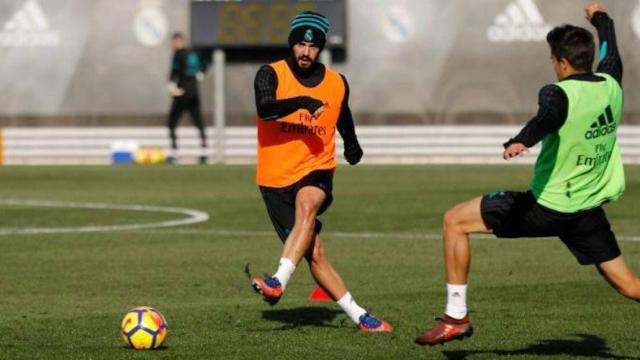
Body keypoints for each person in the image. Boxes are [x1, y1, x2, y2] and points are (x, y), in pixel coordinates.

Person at [416, 3, 638, 346]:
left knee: (454, 221)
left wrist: (522, 139)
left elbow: (548, 117)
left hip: (546, 208)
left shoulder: (558, 92)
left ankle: (456, 317)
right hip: (586, 212)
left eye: (553, 59)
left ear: (562, 62)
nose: (553, 65)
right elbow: (610, 48)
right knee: (628, 285)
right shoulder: (611, 83)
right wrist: (601, 20)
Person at [250, 11, 392, 333]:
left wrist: (352, 145)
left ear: (320, 49)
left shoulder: (336, 82)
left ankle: (278, 280)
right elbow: (265, 109)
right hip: (274, 180)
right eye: (300, 44)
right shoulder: (269, 74)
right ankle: (360, 317)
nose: (305, 52)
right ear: (292, 43)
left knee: (308, 203)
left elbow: (343, 115)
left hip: (316, 168)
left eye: (312, 47)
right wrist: (301, 101)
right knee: (315, 253)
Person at [167, 32, 209, 164]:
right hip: (194, 93)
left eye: (175, 42)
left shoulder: (178, 54)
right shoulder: (193, 53)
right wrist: (201, 72)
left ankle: (174, 154)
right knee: (199, 124)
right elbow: (206, 60)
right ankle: (204, 154)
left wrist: (171, 84)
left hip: (182, 94)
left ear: (179, 42)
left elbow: (174, 72)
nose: (174, 44)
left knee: (171, 123)